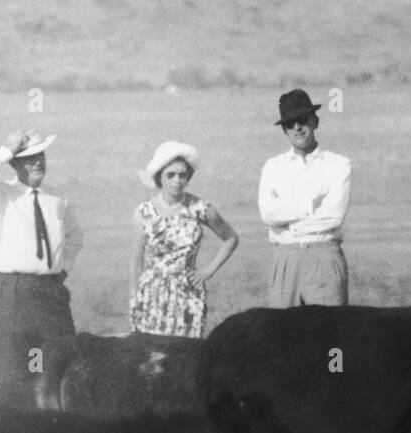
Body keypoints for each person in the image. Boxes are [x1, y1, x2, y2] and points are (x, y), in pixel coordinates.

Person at [0, 129, 82, 406]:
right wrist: (5, 150)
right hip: (12, 294)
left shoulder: (57, 200)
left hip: (50, 294)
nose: (37, 164)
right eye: (29, 159)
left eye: (40, 157)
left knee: (58, 371)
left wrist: (60, 271)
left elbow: (75, 237)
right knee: (19, 377)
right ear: (15, 165)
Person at [129, 141, 238, 338]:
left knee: (185, 356)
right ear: (159, 178)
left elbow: (230, 238)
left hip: (188, 294)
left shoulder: (200, 208)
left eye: (182, 175)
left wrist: (207, 271)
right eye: (170, 175)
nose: (177, 180)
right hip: (150, 294)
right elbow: (136, 259)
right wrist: (134, 297)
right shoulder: (144, 212)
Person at [257, 89, 352, 307]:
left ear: (315, 122)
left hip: (323, 255)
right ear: (284, 130)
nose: (297, 128)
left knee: (328, 333)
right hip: (285, 258)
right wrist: (309, 210)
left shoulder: (338, 165)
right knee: (281, 333)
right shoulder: (273, 167)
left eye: (302, 120)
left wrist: (290, 222)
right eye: (290, 124)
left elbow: (333, 217)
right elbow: (268, 214)